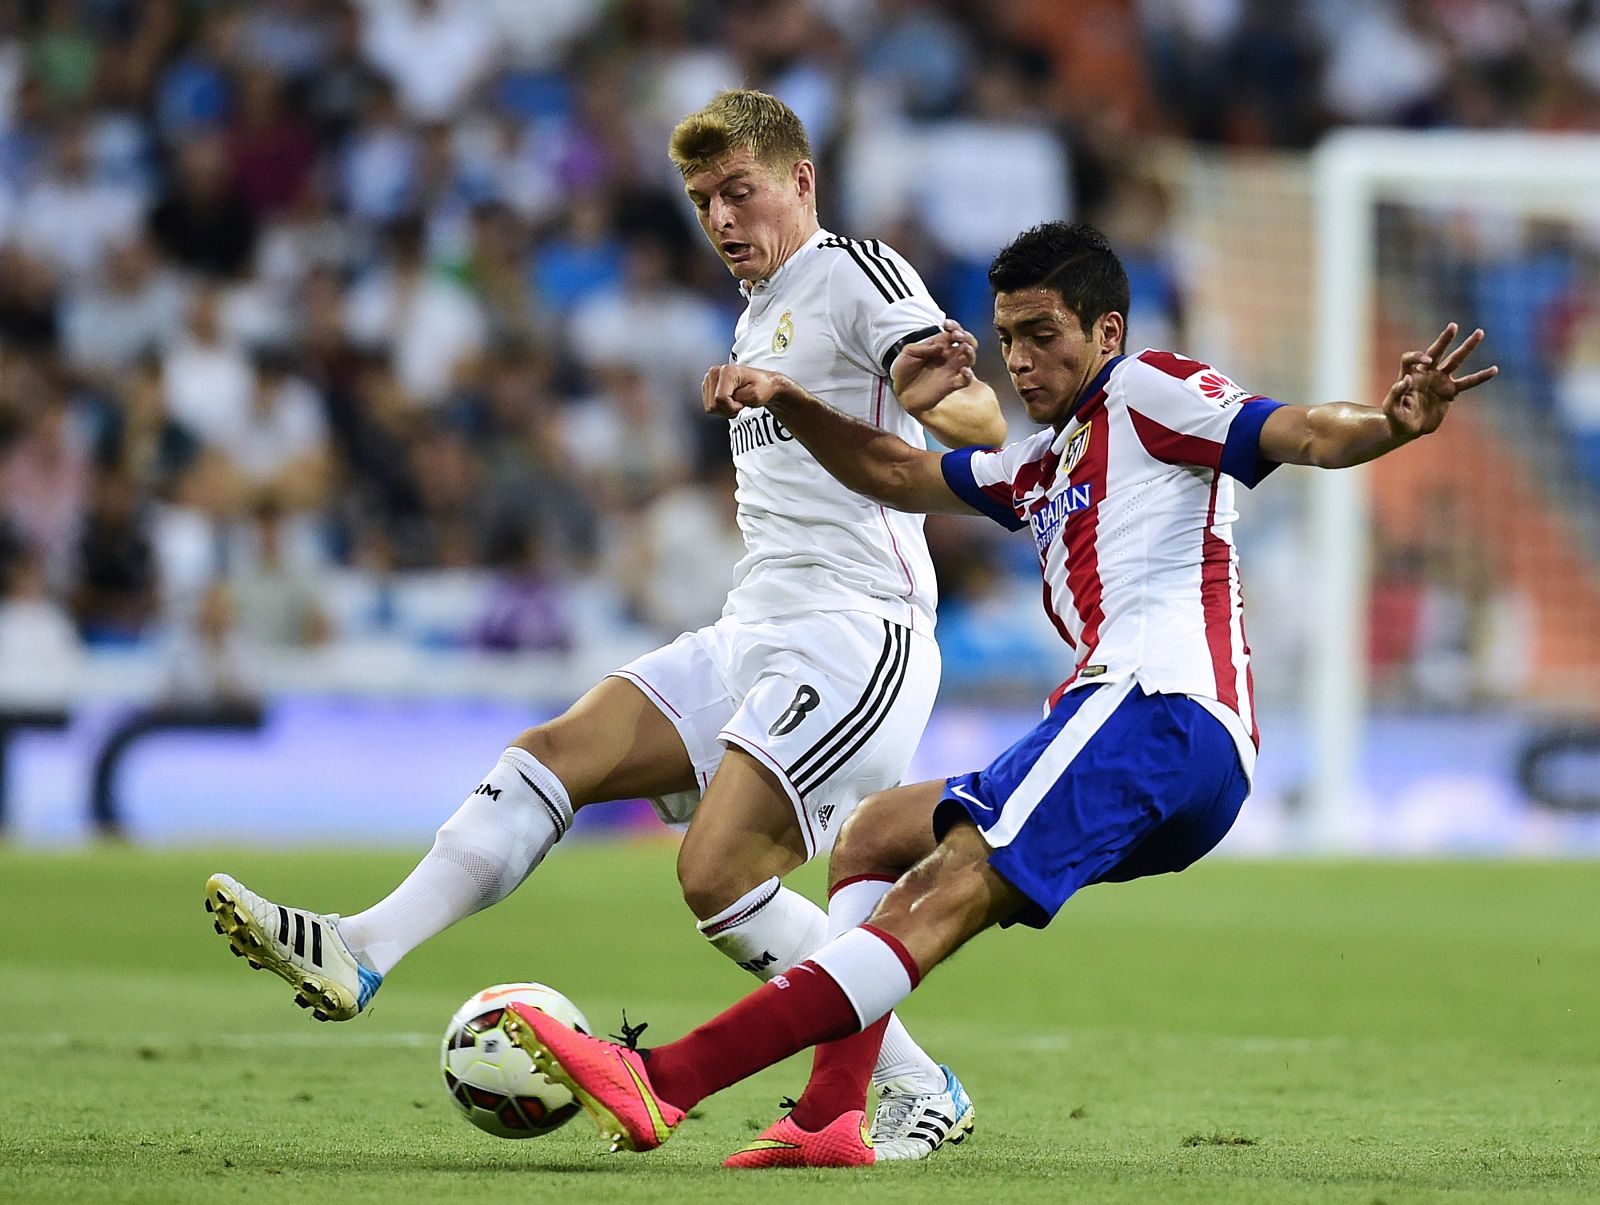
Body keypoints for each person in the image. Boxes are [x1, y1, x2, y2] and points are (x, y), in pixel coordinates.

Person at [489, 221, 1498, 1168]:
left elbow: (1301, 431)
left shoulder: (1148, 388)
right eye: (1008, 336)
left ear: (1106, 330)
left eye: (1043, 335)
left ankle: (662, 1076)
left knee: (942, 893)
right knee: (878, 834)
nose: (1020, 361)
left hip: (1156, 704)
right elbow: (894, 467)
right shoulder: (1038, 462)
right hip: (1149, 735)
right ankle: (832, 1111)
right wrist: (789, 401)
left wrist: (1387, 424)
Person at [203, 89, 1005, 1159]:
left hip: (859, 632)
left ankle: (914, 1080)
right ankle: (359, 946)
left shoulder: (855, 271)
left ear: (800, 182)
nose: (721, 219)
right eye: (701, 200)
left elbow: (968, 412)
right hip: (752, 625)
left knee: (717, 876)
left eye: (740, 192)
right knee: (553, 752)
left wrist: (949, 399)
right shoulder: (758, 307)